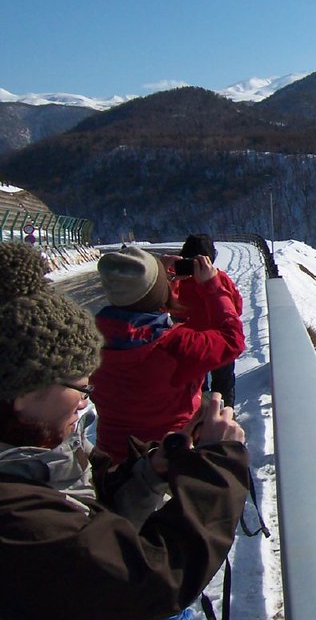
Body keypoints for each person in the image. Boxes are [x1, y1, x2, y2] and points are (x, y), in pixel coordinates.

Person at [0, 240, 249, 620]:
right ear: (24, 393)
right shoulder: (174, 343)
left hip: (117, 454)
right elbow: (152, 578)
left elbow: (86, 515)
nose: (86, 402)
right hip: (161, 454)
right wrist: (218, 466)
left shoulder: (100, 333)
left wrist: (147, 473)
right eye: (81, 389)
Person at [91, 245, 245, 464]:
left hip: (110, 460)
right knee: (217, 410)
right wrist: (213, 286)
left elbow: (141, 317)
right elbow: (232, 341)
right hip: (165, 457)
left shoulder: (90, 340)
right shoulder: (176, 346)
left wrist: (158, 281)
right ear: (158, 292)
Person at [173, 233, 244, 407]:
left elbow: (170, 308)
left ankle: (200, 415)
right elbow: (237, 307)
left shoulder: (179, 283)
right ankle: (226, 414)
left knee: (196, 386)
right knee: (224, 381)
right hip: (219, 339)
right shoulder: (219, 279)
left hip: (192, 343)